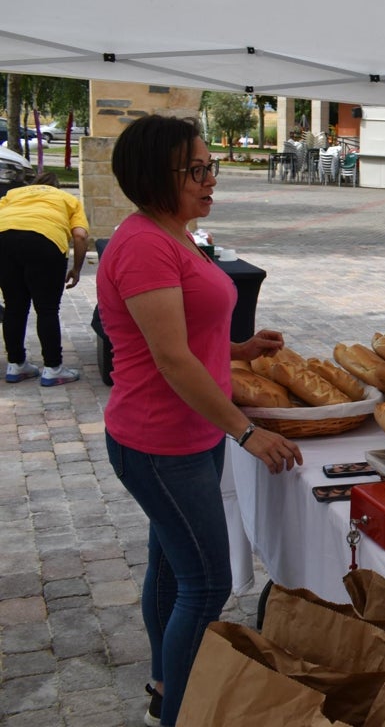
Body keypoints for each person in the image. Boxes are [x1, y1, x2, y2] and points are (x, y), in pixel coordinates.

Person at [97, 114, 303, 727]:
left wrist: (238, 351)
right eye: (197, 170)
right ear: (157, 175)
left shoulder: (175, 232)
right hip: (160, 442)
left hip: (189, 435)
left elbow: (183, 332)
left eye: (210, 167)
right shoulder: (142, 245)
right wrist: (246, 429)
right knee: (206, 584)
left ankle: (166, 685)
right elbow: (168, 357)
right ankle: (182, 714)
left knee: (171, 566)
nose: (210, 179)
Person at [0, 172, 89, 386]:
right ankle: (53, 368)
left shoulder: (12, 193)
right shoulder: (67, 199)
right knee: (47, 309)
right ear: (56, 186)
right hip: (44, 240)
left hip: (3, 239)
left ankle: (16, 365)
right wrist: (76, 269)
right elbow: (80, 235)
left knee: (13, 306)